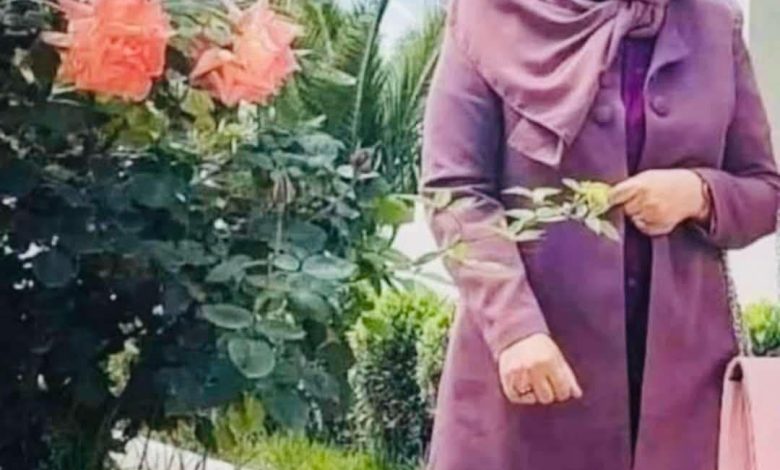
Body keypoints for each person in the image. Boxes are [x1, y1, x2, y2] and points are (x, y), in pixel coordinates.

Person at [419, 0, 780, 469]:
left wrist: (699, 194)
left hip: (684, 390)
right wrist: (514, 329)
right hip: (536, 372)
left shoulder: (713, 21)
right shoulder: (489, 15)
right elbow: (455, 189)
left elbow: (764, 190)